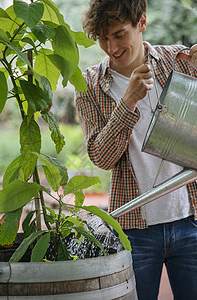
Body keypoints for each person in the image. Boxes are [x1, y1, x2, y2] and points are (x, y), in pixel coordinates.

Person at [74, 0, 197, 299]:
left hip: (191, 218)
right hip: (134, 231)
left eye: (118, 35)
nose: (111, 47)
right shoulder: (90, 85)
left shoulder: (178, 61)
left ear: (141, 23)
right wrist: (127, 102)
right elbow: (102, 158)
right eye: (102, 38)